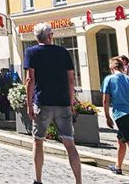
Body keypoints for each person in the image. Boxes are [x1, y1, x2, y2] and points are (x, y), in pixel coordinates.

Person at [23, 22, 83, 184]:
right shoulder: (63, 52)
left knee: (38, 141)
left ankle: (38, 179)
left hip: (42, 102)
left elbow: (30, 79)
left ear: (37, 38)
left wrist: (29, 104)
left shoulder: (31, 52)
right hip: (63, 102)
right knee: (69, 143)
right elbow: (71, 80)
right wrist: (71, 102)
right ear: (50, 36)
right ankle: (78, 181)